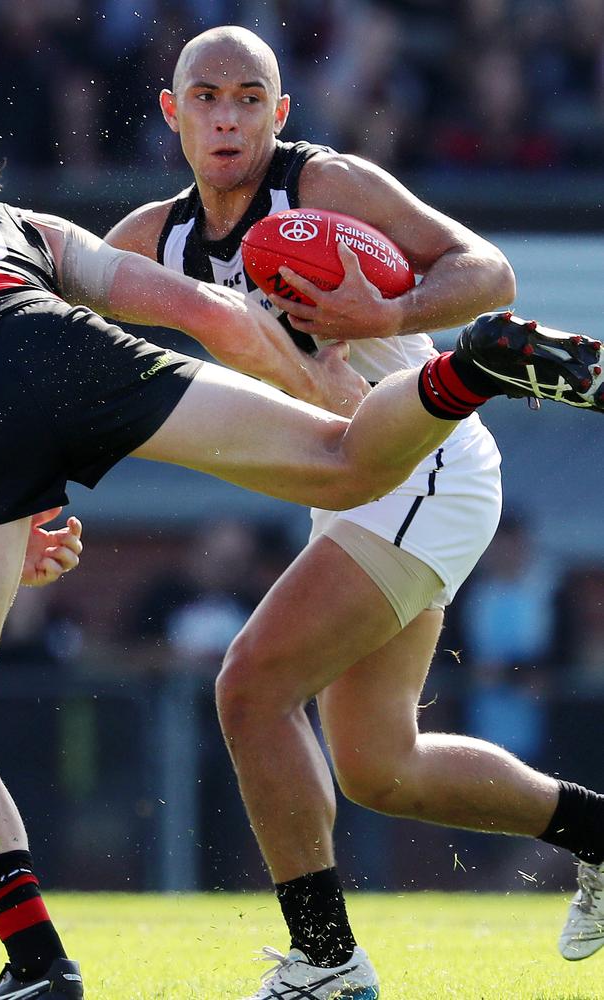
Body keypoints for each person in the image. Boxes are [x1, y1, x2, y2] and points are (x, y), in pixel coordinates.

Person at [105, 26, 604, 998]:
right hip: (348, 488)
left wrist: (383, 313)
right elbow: (45, 318)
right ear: (171, 114)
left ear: (280, 111)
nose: (227, 116)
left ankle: (325, 961)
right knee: (380, 766)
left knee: (249, 686)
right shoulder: (150, 240)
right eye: (205, 97)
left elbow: (484, 273)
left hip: (423, 462)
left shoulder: (323, 184)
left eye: (250, 96)